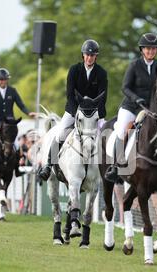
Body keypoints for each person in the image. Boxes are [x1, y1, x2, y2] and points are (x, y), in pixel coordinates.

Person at [104, 33, 157, 183]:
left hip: (151, 109)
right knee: (122, 130)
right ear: (142, 50)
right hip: (131, 106)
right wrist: (136, 98)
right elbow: (125, 88)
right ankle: (116, 167)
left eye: (154, 49)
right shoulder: (135, 65)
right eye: (148, 48)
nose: (151, 51)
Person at [38, 39, 108, 181]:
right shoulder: (74, 70)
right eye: (87, 55)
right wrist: (78, 112)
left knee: (107, 134)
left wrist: (96, 114)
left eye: (92, 55)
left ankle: (112, 168)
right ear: (83, 55)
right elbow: (70, 94)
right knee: (60, 133)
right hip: (74, 110)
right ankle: (48, 165)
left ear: (96, 56)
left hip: (94, 113)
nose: (89, 58)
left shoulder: (101, 73)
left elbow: (103, 97)